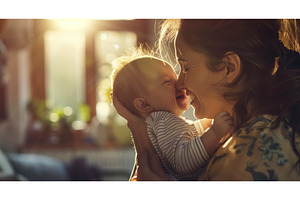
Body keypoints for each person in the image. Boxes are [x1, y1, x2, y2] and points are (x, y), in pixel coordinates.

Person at [113, 19, 300, 181]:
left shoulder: (248, 158)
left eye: (185, 67)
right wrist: (138, 126)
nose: (179, 84)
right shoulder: (247, 134)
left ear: (229, 68)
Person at [111, 51, 233, 180]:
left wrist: (207, 122)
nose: (179, 84)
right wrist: (214, 132)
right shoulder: (163, 121)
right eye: (167, 82)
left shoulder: (164, 123)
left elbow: (189, 134)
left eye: (175, 78)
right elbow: (184, 161)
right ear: (144, 105)